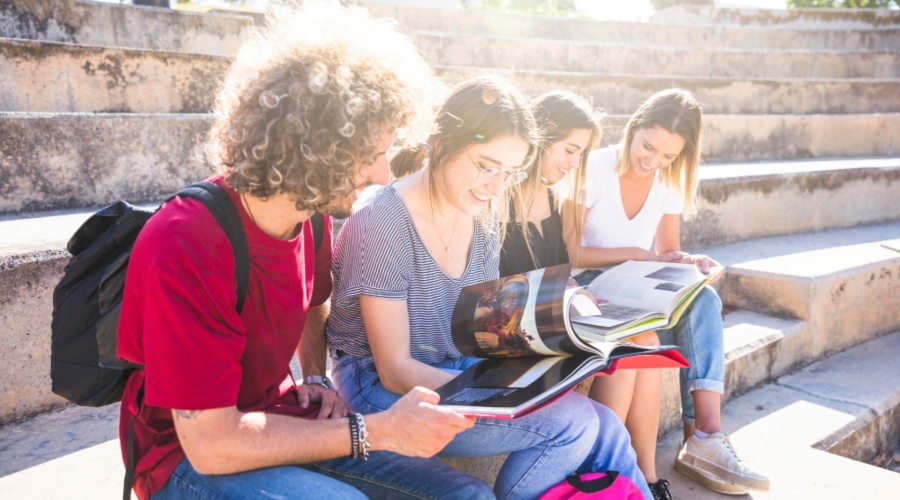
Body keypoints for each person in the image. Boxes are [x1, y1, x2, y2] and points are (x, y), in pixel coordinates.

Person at [115, 3, 495, 499]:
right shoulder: (187, 243)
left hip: (274, 418)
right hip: (183, 459)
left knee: (465, 496)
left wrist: (313, 373)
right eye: (370, 154)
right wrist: (377, 430)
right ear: (313, 146)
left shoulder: (311, 217)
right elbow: (211, 443)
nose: (383, 174)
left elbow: (315, 298)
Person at [326, 75, 653, 500]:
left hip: (450, 361)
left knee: (605, 425)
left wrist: (565, 332)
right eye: (487, 166)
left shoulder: (481, 212)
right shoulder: (383, 221)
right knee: (573, 423)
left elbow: (478, 322)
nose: (497, 187)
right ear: (441, 146)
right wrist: (509, 394)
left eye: (511, 173)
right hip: (378, 388)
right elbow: (395, 368)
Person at [562, 89, 771, 497]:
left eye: (668, 157)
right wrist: (638, 255)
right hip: (587, 288)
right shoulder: (595, 167)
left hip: (633, 286)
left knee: (704, 299)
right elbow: (571, 251)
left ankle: (705, 436)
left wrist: (688, 264)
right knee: (648, 340)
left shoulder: (668, 181)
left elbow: (667, 251)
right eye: (648, 147)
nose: (654, 162)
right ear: (634, 127)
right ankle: (649, 461)